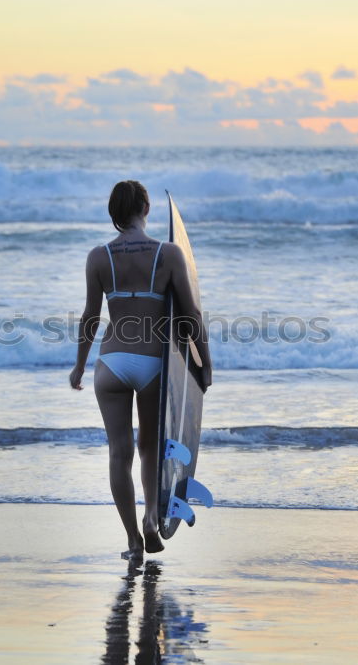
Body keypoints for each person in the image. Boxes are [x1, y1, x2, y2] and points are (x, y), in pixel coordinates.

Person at [70, 180, 212, 560]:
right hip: (153, 364)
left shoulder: (98, 257)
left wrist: (80, 366)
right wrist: (204, 365)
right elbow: (190, 314)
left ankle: (133, 540)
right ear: (146, 208)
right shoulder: (168, 254)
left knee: (119, 453)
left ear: (113, 213)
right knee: (150, 448)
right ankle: (151, 520)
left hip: (111, 364)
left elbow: (90, 318)